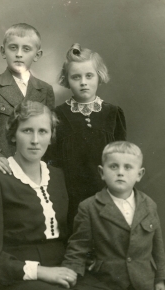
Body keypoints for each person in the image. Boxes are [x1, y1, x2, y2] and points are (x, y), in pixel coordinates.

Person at [0, 102, 127, 290]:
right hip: (12, 279)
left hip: (60, 268)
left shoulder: (57, 176)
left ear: (51, 137)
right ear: (13, 135)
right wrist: (42, 272)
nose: (35, 140)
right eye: (27, 131)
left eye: (43, 131)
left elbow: (70, 234)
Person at [62, 141, 165, 290]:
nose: (120, 172)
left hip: (144, 283)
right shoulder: (90, 207)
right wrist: (69, 275)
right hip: (110, 284)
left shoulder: (149, 205)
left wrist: (160, 278)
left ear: (139, 174)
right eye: (114, 166)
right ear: (102, 172)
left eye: (128, 167)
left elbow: (158, 246)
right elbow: (78, 247)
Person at [51, 43, 126, 232]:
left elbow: (122, 158)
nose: (83, 82)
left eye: (89, 76)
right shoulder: (58, 115)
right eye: (76, 77)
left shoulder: (112, 113)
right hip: (73, 197)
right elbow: (52, 161)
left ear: (99, 77)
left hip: (108, 193)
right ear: (67, 80)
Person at [0, 23, 55, 176]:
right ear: (3, 51)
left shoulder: (45, 90)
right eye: (13, 48)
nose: (19, 54)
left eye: (26, 49)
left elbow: (48, 134)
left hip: (31, 172)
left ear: (37, 55)